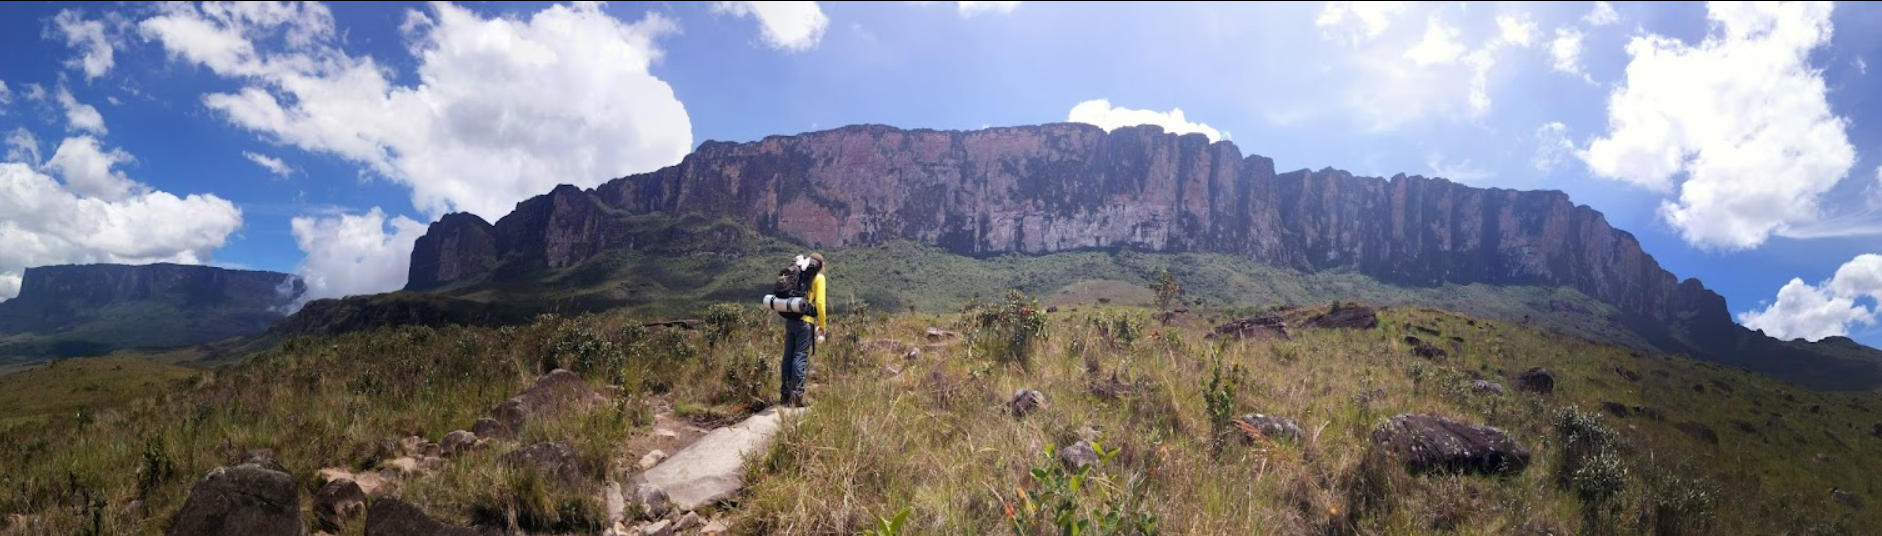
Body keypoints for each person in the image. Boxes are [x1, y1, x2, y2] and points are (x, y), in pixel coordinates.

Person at [781, 252, 828, 408]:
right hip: (805, 322)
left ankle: (784, 394)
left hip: (791, 318)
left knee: (788, 356)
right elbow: (820, 303)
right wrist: (822, 325)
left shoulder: (799, 273)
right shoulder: (819, 278)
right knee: (800, 357)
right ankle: (797, 396)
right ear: (820, 266)